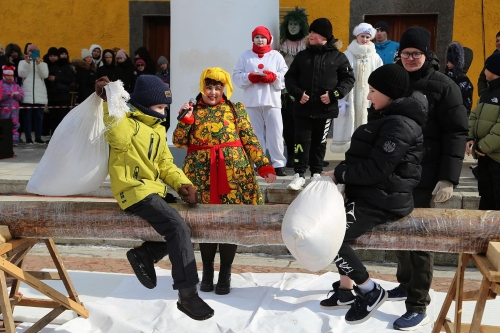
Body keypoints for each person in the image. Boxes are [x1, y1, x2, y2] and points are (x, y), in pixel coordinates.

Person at [95, 74, 214, 321]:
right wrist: (110, 101)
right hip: (134, 189)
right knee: (176, 227)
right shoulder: (126, 122)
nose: (163, 112)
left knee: (184, 224)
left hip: (153, 190)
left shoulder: (157, 129)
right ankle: (188, 295)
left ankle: (146, 254)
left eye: (165, 108)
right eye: (159, 107)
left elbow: (165, 163)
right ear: (145, 104)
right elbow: (116, 136)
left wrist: (183, 184)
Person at [320, 64, 427, 326]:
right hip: (372, 195)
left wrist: (339, 174)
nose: (368, 96)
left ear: (390, 94)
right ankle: (347, 291)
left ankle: (370, 291)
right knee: (329, 234)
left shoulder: (399, 125)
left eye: (373, 90)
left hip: (383, 200)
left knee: (331, 238)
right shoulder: (389, 117)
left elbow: (377, 169)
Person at [173, 67, 277, 295]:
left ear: (224, 89)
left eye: (217, 88)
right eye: (209, 87)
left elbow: (250, 139)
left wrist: (263, 165)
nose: (212, 92)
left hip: (235, 179)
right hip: (200, 177)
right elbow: (179, 142)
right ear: (202, 87)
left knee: (229, 224)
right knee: (206, 224)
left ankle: (225, 274)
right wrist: (184, 120)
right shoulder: (193, 110)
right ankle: (208, 273)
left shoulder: (235, 109)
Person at [391, 27, 468, 331]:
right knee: (398, 231)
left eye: (416, 54)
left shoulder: (443, 85)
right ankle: (405, 282)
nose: (410, 59)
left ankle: (418, 301)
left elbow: (456, 131)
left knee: (419, 237)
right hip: (395, 171)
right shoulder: (394, 79)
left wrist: (449, 178)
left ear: (426, 54)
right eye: (406, 53)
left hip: (427, 174)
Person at [285, 17, 355, 190]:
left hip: (325, 110)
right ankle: (299, 175)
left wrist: (334, 94)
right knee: (301, 141)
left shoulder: (338, 57)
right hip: (302, 110)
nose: (310, 35)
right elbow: (290, 78)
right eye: (310, 32)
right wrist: (297, 93)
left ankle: (316, 174)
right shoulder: (302, 56)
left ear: (324, 36)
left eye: (314, 32)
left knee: (319, 143)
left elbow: (348, 79)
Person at [233, 26, 289, 176]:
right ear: (253, 39)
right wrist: (249, 77)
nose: (260, 40)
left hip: (272, 100)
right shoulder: (245, 56)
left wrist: (274, 77)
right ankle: (259, 162)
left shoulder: (276, 56)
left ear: (268, 39)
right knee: (255, 133)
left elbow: (285, 74)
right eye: (257, 37)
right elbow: (237, 75)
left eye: (262, 37)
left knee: (276, 132)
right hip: (252, 100)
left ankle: (278, 163)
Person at [331, 22, 382, 153]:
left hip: (368, 96)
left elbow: (379, 75)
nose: (364, 39)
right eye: (362, 36)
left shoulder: (375, 56)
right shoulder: (347, 54)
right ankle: (350, 152)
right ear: (357, 36)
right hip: (351, 95)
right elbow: (340, 74)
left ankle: (364, 152)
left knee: (366, 122)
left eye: (367, 37)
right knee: (350, 122)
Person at [466, 52, 500, 210]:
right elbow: (474, 115)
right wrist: (470, 136)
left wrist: (483, 146)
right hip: (483, 156)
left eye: (486, 67)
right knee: (485, 196)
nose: (484, 70)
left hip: (496, 157)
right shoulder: (487, 93)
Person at [277, 7, 309, 168]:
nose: (293, 27)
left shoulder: (308, 46)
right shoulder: (281, 47)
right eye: (290, 24)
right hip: (285, 93)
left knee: (303, 127)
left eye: (296, 24)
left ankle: (304, 156)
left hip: (304, 92)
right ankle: (291, 155)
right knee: (288, 126)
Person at [18, 43, 48, 144]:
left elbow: (45, 75)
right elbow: (21, 74)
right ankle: (28, 137)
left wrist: (38, 64)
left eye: (34, 50)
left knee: (39, 118)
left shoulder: (43, 64)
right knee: (27, 118)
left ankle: (38, 137)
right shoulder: (22, 62)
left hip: (39, 95)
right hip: (27, 94)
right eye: (30, 50)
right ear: (27, 51)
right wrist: (27, 63)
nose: (32, 52)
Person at [45, 46, 75, 134]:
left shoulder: (65, 66)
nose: (53, 58)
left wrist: (56, 78)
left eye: (55, 56)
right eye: (51, 56)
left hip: (63, 97)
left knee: (62, 119)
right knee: (53, 119)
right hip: (51, 96)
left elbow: (70, 80)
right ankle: (53, 138)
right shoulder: (46, 65)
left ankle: (62, 137)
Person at [445, 42, 474, 117]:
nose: (447, 64)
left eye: (450, 61)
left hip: (456, 117)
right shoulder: (447, 76)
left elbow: (466, 104)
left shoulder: (464, 83)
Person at [0, 65, 24, 145]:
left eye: (11, 76)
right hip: (4, 110)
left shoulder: (16, 86)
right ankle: (4, 140)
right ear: (4, 75)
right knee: (4, 125)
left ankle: (14, 140)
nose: (9, 77)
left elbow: (22, 96)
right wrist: (8, 94)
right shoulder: (1, 85)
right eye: (7, 76)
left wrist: (17, 95)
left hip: (15, 110)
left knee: (15, 124)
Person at [477, 31, 500, 97]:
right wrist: (482, 93)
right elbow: (482, 78)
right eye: (497, 41)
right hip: (490, 99)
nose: (499, 43)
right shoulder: (492, 60)